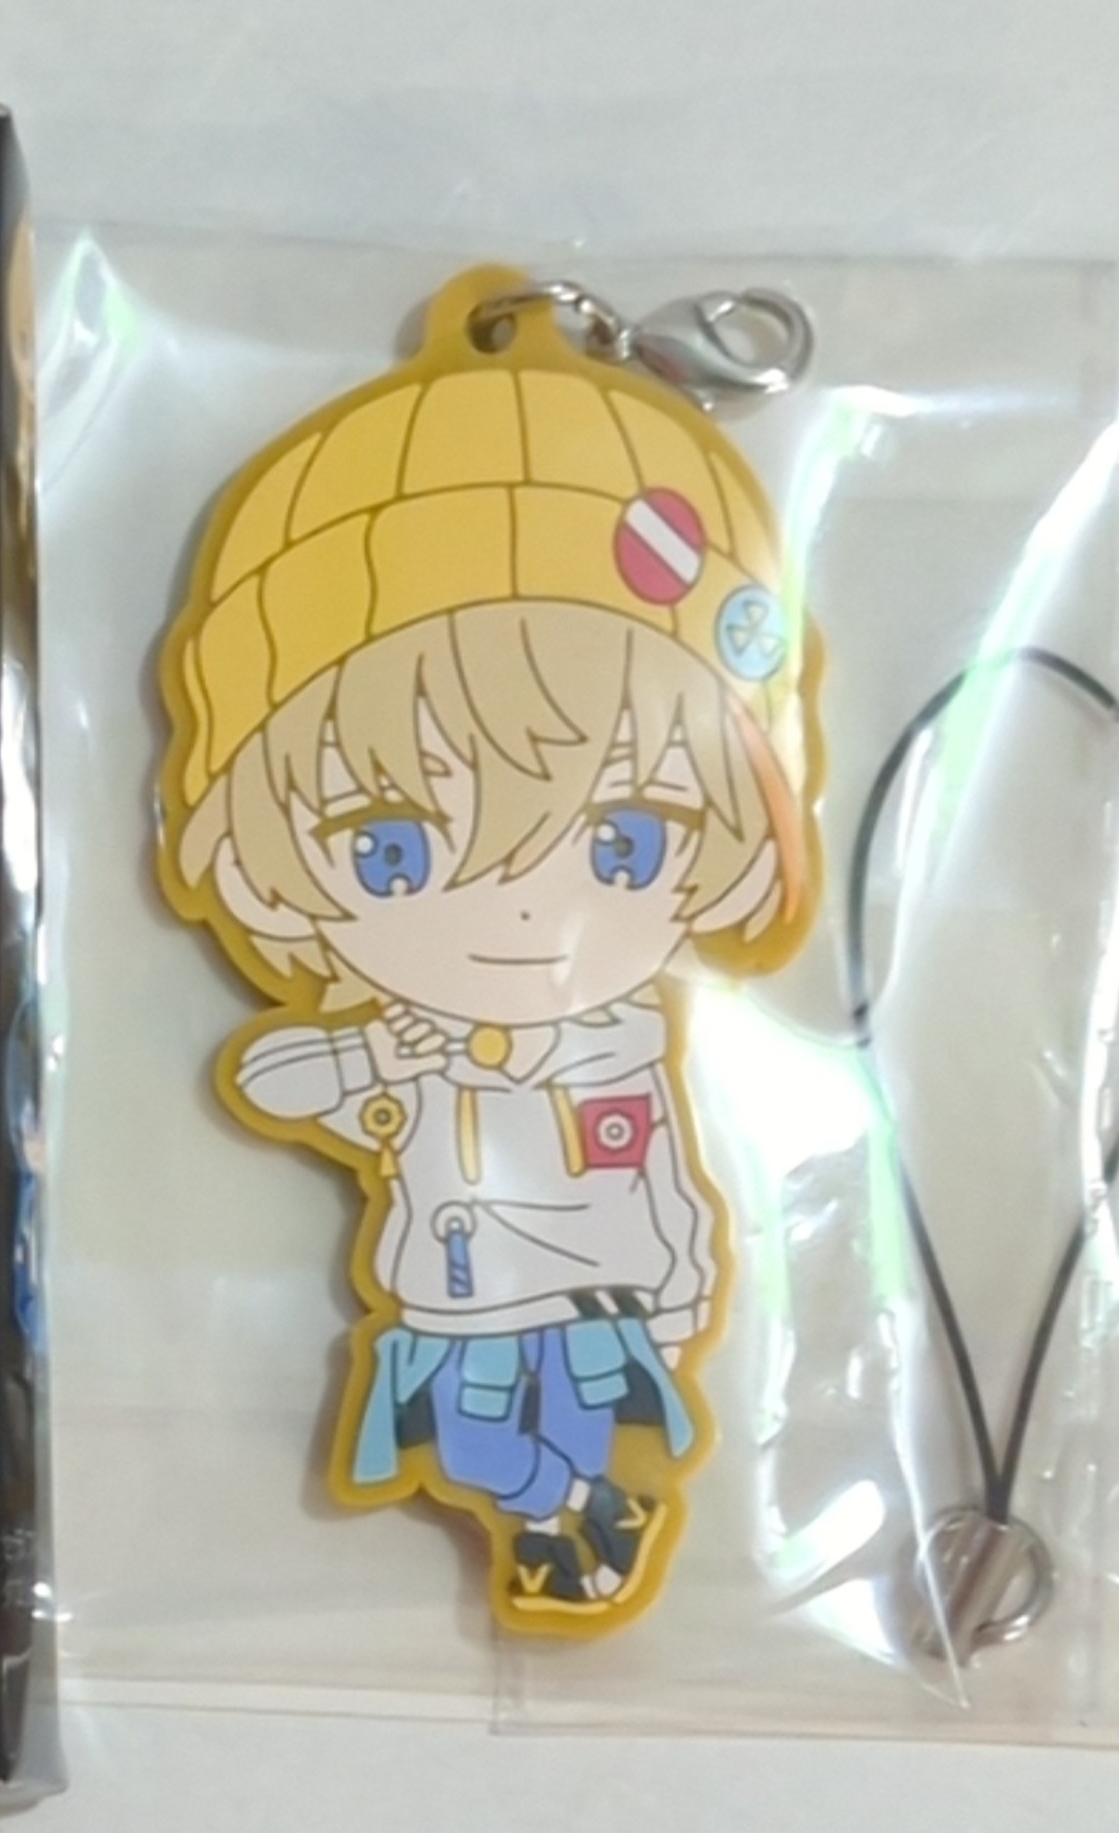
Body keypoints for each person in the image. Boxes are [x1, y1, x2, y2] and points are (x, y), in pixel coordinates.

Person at [160, 333, 816, 1625]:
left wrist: (679, 1285)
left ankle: (572, 1514)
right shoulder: (396, 1038)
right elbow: (270, 1075)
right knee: (470, 1446)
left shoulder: (620, 1043)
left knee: (561, 1430)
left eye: (622, 839)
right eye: (392, 847)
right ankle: (567, 1510)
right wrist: (380, 1054)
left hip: (588, 1296)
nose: (515, 905)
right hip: (445, 1307)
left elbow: (660, 1171)